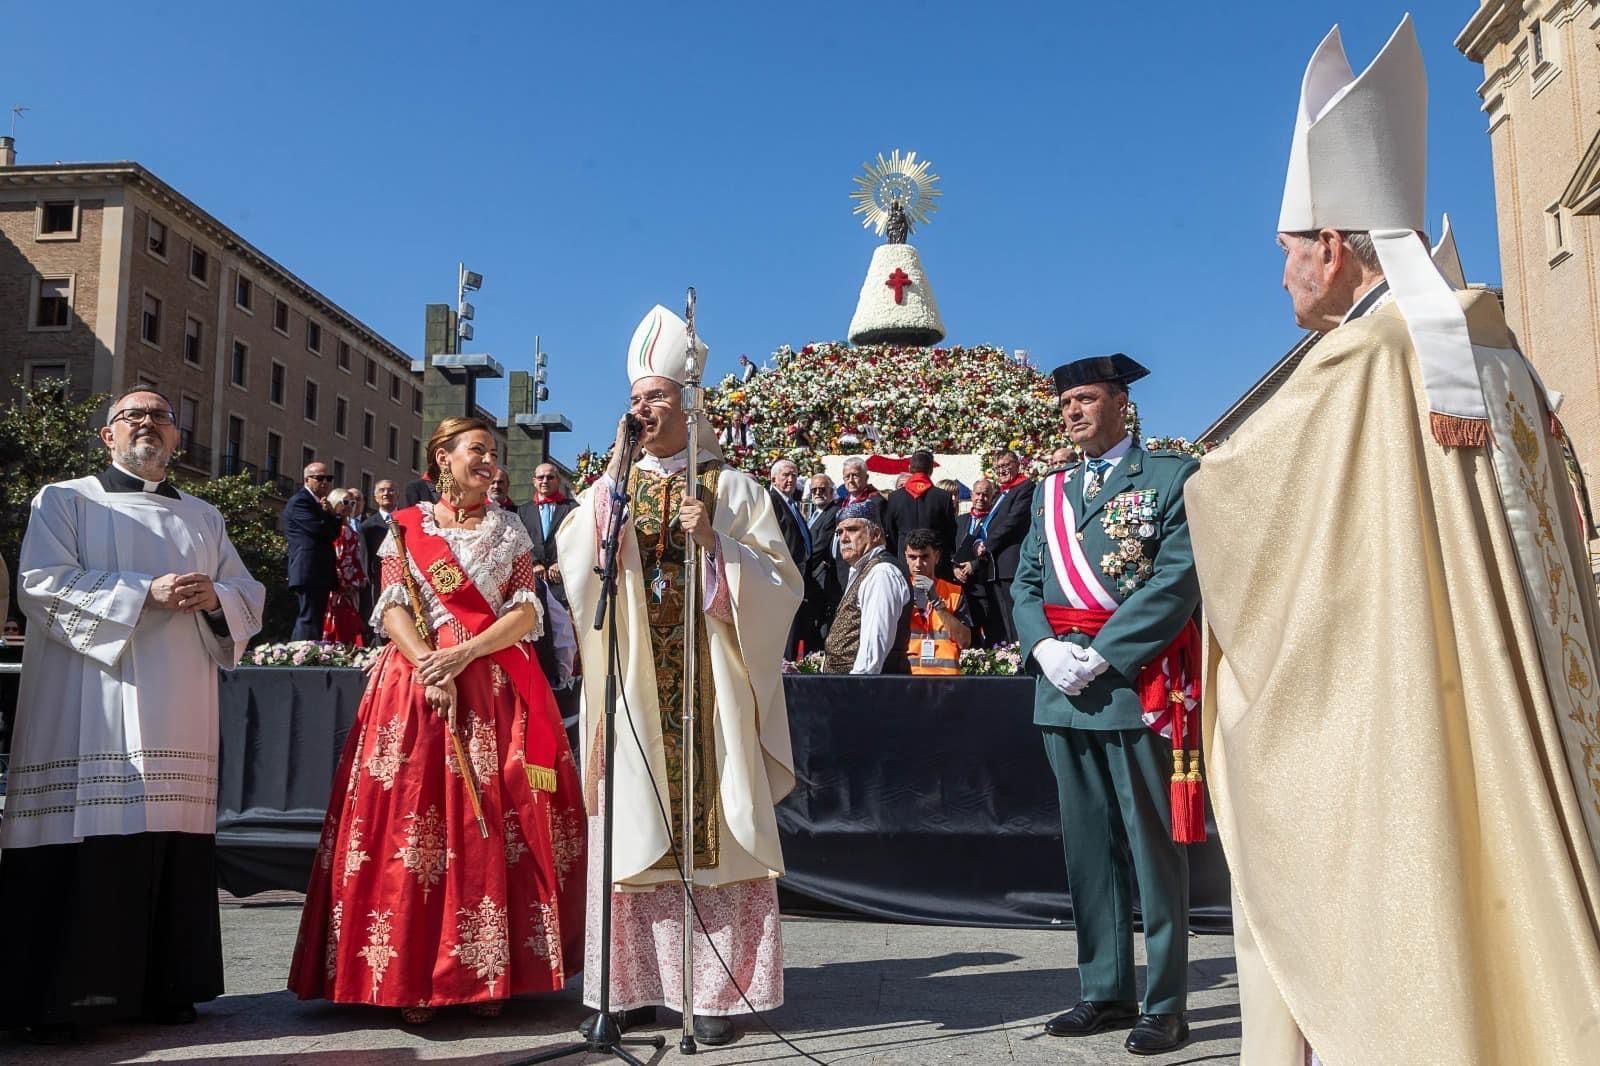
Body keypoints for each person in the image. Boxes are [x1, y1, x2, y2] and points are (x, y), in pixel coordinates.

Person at [1185, 17, 1600, 1065]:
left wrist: (1198, 480)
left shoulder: (1364, 362)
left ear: (1332, 244)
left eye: (1286, 249)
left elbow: (1250, 521)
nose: (1279, 273)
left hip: (1407, 701)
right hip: (1519, 686)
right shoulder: (1487, 348)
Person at [555, 304, 802, 1047]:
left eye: (657, 398)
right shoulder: (609, 492)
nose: (643, 410)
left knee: (714, 823)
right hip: (632, 682)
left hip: (711, 691)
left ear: (690, 405)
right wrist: (609, 501)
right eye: (636, 401)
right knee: (631, 820)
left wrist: (718, 549)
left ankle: (718, 997)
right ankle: (623, 989)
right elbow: (576, 568)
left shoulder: (735, 490)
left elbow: (782, 584)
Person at [288, 416, 586, 1024]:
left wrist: (464, 654)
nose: (489, 462)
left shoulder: (511, 531)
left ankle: (485, 974)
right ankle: (409, 976)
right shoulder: (406, 528)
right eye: (477, 450)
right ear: (442, 459)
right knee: (409, 825)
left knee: (492, 821)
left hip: (494, 686)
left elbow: (527, 612)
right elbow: (392, 602)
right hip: (414, 688)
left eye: (494, 453)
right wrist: (430, 665)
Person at [0, 387, 264, 1043]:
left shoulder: (205, 517)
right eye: (131, 416)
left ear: (179, 440)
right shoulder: (64, 501)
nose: (147, 424)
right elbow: (39, 584)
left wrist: (217, 596)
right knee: (96, 835)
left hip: (181, 702)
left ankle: (166, 987)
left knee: (170, 836)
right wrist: (144, 591)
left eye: (161, 417)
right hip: (93, 701)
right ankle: (69, 997)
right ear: (107, 437)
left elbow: (248, 593)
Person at [1012, 354, 1201, 1055]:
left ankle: (1166, 1001)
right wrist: (1042, 650)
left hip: (1133, 686)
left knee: (1152, 851)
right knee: (1088, 850)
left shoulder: (1171, 478)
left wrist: (1107, 651)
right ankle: (1105, 989)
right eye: (1066, 403)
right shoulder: (1050, 492)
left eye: (1086, 399)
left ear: (1122, 404)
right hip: (1062, 692)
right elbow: (1025, 580)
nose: (1072, 412)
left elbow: (1177, 577)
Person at [823, 501, 911, 674]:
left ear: (876, 534)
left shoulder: (881, 573)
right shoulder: (863, 570)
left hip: (867, 690)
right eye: (839, 532)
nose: (844, 538)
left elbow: (875, 643)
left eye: (853, 529)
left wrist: (859, 687)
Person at [282, 461, 343, 640]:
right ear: (307, 480)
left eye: (328, 478)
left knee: (315, 617)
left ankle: (310, 655)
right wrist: (330, 515)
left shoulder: (317, 505)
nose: (324, 482)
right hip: (308, 570)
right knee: (308, 617)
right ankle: (303, 658)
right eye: (319, 478)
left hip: (319, 571)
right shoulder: (300, 502)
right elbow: (321, 531)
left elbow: (332, 532)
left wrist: (332, 515)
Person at [982, 449, 1037, 644]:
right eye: (998, 467)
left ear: (1017, 465)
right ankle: (1007, 652)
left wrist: (987, 545)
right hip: (996, 565)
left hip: (1011, 562)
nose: (1002, 470)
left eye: (1006, 465)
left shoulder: (1025, 487)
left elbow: (1012, 521)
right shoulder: (1001, 493)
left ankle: (1019, 651)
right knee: (1001, 616)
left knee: (1014, 614)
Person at [902, 529, 971, 675]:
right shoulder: (899, 591)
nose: (918, 564)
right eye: (912, 557)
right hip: (907, 678)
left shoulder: (954, 592)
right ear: (906, 558)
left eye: (924, 557)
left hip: (946, 679)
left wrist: (938, 604)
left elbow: (964, 641)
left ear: (937, 556)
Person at [767, 459, 814, 658]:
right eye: (785, 475)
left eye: (794, 475)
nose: (790, 479)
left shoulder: (791, 502)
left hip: (797, 573)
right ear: (773, 478)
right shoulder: (772, 501)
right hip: (782, 574)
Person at [515, 462, 578, 607]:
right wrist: (534, 562)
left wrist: (560, 562)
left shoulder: (572, 508)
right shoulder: (523, 511)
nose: (544, 481)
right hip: (533, 580)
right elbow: (519, 540)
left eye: (550, 477)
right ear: (534, 481)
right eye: (540, 477)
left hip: (563, 580)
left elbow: (576, 541)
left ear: (558, 480)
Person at [881, 450, 956, 570]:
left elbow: (890, 531)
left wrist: (901, 549)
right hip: (934, 562)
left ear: (910, 468)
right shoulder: (943, 497)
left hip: (905, 561)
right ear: (931, 470)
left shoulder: (895, 497)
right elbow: (950, 533)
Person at [953, 478, 1003, 647]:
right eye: (978, 494)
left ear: (992, 497)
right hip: (960, 586)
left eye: (985, 495)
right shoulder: (960, 520)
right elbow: (951, 548)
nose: (981, 498)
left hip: (984, 585)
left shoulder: (996, 521)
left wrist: (973, 566)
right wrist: (954, 569)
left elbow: (996, 550)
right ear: (971, 495)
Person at [320, 487, 367, 646]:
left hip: (350, 585)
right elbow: (338, 558)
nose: (349, 506)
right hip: (337, 586)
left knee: (347, 625)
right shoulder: (335, 530)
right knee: (336, 624)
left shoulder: (350, 530)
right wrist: (344, 582)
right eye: (345, 502)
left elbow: (354, 558)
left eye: (352, 503)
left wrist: (357, 580)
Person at [805, 474, 843, 642]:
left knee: (821, 623)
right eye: (815, 489)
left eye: (823, 489)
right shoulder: (816, 512)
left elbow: (819, 546)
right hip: (813, 576)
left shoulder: (832, 513)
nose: (818, 492)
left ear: (831, 491)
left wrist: (800, 568)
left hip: (821, 575)